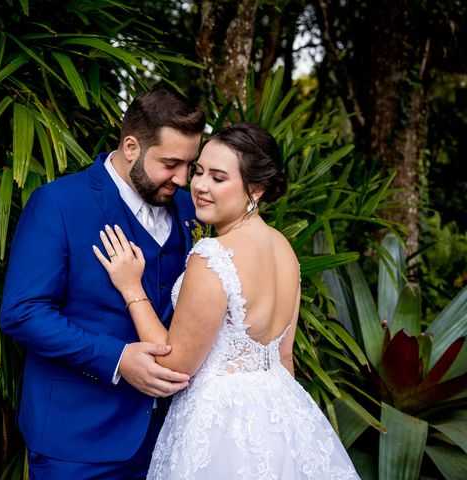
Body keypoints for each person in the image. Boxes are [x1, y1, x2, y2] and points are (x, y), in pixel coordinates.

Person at [94, 123, 360, 479]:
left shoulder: (214, 256)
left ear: (256, 189)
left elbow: (174, 367)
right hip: (282, 416)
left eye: (218, 178)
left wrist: (132, 289)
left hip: (221, 424)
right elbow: (283, 357)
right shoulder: (284, 249)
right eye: (200, 171)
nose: (200, 186)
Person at [0, 88, 206, 479]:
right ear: (131, 146)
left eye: (189, 165)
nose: (183, 179)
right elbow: (22, 313)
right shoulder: (58, 203)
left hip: (166, 438)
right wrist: (117, 358)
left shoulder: (185, 209)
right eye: (170, 163)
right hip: (76, 439)